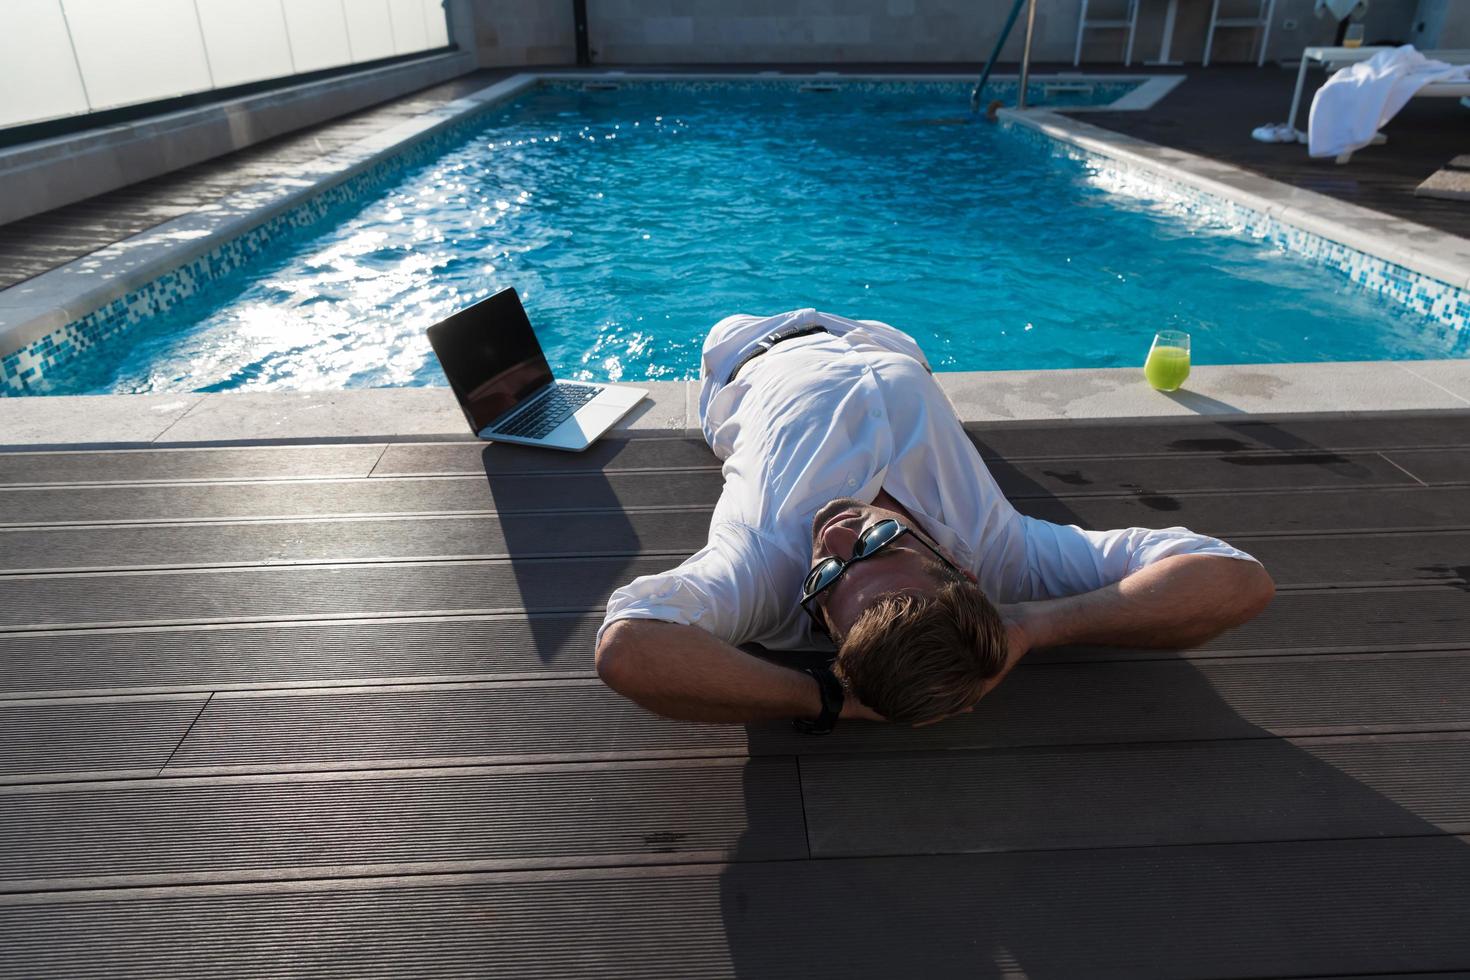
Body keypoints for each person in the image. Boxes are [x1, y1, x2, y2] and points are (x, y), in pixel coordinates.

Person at [594, 309, 1275, 732]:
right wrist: (1033, 627)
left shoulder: (765, 567)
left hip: (749, 344)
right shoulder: (1001, 554)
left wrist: (820, 699)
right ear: (958, 569)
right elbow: (1238, 579)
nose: (837, 536)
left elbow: (629, 648)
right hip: (890, 337)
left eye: (827, 578)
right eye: (881, 544)